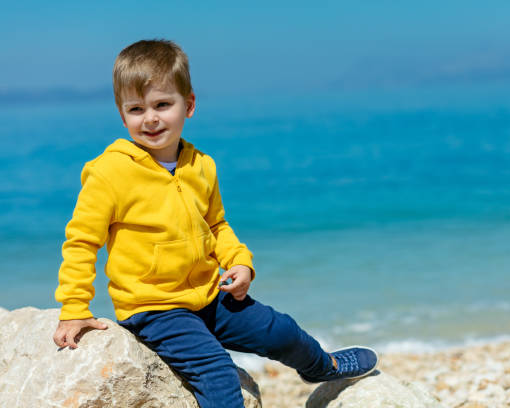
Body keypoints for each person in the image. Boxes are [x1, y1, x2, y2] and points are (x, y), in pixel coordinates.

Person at [52, 39, 378, 408]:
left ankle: (323, 365)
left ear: (188, 105)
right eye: (136, 109)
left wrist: (240, 262)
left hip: (209, 295)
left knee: (281, 329)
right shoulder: (109, 172)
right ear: (122, 113)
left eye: (162, 104)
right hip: (155, 309)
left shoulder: (201, 166)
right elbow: (81, 242)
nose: (151, 118)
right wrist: (74, 308)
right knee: (218, 375)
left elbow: (217, 226)